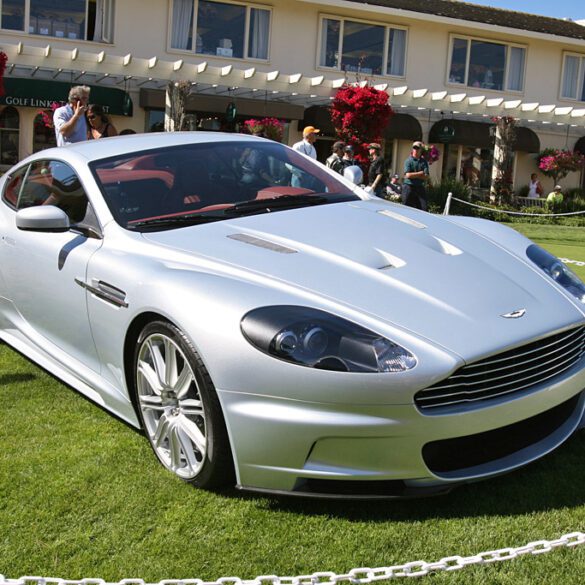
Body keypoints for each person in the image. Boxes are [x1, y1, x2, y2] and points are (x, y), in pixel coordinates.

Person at [402, 141, 430, 210]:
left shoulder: (424, 162)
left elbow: (426, 176)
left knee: (423, 208)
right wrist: (420, 173)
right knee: (406, 208)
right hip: (408, 186)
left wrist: (414, 175)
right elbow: (408, 175)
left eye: (417, 148)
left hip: (419, 187)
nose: (415, 150)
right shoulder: (408, 161)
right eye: (414, 148)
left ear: (421, 150)